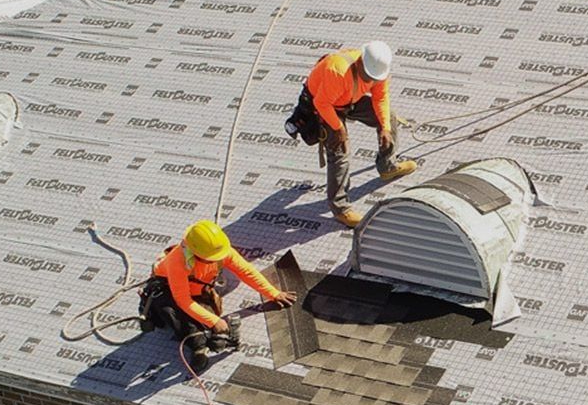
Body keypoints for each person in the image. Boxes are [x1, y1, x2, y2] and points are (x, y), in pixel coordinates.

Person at [140, 221, 294, 373]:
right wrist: (214, 321)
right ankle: (198, 348)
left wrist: (273, 293)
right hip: (168, 289)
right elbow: (183, 300)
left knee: (209, 324)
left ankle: (204, 337)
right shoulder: (178, 262)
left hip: (198, 290)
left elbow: (246, 272)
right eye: (211, 258)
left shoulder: (221, 252)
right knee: (173, 312)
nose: (217, 259)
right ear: (197, 253)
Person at [303, 41, 415, 227]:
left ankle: (387, 165)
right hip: (325, 104)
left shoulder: (380, 72)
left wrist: (385, 128)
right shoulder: (337, 71)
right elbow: (322, 103)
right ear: (360, 62)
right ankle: (341, 209)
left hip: (348, 99)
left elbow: (380, 98)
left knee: (389, 118)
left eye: (374, 78)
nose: (370, 81)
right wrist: (338, 129)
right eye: (367, 76)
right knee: (339, 151)